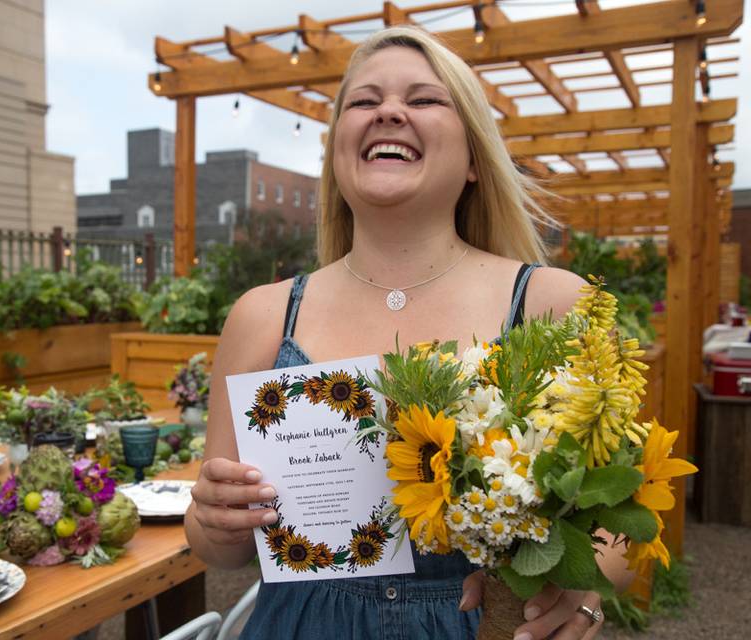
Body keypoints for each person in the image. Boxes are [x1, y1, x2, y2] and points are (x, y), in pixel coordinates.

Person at [186, 25, 633, 639]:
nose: (389, 111)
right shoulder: (261, 317)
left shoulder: (555, 305)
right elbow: (220, 550)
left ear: (476, 158)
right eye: (363, 102)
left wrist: (582, 593)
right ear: (338, 149)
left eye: (423, 100)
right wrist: (214, 520)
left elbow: (625, 522)